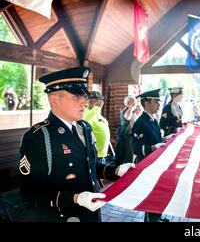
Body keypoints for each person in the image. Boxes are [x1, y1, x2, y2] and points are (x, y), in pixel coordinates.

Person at [18, 67, 135, 222]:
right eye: (76, 96)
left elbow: (88, 165)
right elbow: (30, 191)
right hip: (61, 216)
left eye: (84, 96)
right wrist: (75, 199)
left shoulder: (84, 127)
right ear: (54, 100)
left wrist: (116, 171)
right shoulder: (39, 136)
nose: (84, 102)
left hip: (91, 213)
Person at [131, 89, 169, 222]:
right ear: (147, 103)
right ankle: (152, 219)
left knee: (157, 193)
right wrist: (154, 147)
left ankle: (156, 216)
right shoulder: (141, 122)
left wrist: (165, 139)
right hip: (146, 165)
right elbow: (136, 148)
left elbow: (155, 140)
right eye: (156, 101)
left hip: (155, 163)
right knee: (150, 196)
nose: (159, 104)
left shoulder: (152, 120)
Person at [84, 91, 111, 164]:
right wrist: (96, 108)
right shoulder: (86, 112)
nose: (90, 100)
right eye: (89, 98)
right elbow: (85, 121)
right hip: (93, 154)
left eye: (94, 99)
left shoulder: (98, 115)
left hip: (102, 154)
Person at [115, 96, 138, 165]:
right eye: (134, 102)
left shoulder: (133, 112)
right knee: (127, 160)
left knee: (130, 159)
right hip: (126, 139)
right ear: (129, 103)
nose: (136, 103)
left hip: (131, 138)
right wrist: (130, 107)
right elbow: (127, 118)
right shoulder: (126, 111)